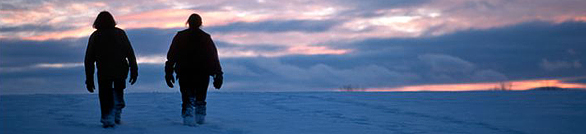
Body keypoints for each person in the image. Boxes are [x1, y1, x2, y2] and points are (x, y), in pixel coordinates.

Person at [164, 13, 223, 126]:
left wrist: (168, 72)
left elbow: (171, 56)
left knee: (187, 97)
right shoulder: (206, 38)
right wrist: (218, 74)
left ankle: (188, 117)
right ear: (200, 23)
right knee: (200, 97)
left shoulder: (180, 36)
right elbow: (213, 57)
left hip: (185, 72)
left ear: (188, 23)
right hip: (202, 73)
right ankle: (200, 119)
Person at [84, 11, 138, 128]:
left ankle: (108, 116)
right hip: (120, 70)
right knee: (118, 91)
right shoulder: (120, 33)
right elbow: (130, 54)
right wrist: (134, 70)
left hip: (104, 71)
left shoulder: (95, 36)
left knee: (105, 95)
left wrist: (89, 78)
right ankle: (116, 112)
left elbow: (89, 59)